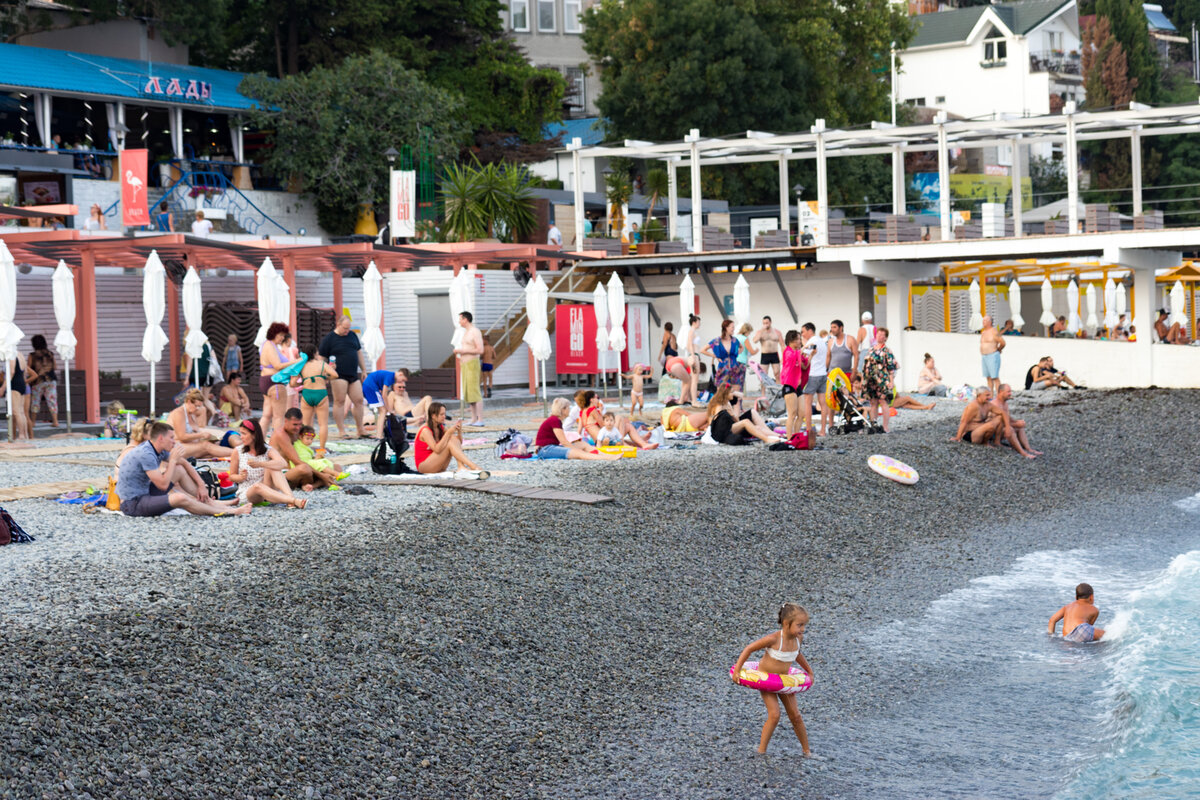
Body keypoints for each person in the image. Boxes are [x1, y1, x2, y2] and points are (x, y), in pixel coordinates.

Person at [730, 603, 814, 756]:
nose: (803, 629)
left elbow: (797, 654)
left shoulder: (798, 639)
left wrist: (809, 671)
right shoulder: (773, 639)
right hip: (766, 679)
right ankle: (761, 751)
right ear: (786, 624)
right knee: (775, 714)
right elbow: (749, 648)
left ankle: (807, 751)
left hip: (784, 680)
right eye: (800, 625)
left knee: (795, 715)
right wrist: (737, 670)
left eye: (804, 625)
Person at [116, 422, 249, 517]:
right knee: (179, 498)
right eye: (171, 438)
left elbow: (184, 463)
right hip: (132, 504)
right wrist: (172, 460)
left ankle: (210, 502)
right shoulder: (146, 454)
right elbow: (162, 486)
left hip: (146, 494)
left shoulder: (156, 448)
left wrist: (202, 485)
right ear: (161, 438)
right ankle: (229, 511)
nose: (174, 442)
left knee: (179, 469)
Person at [229, 419, 307, 508]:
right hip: (248, 493)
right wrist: (240, 477)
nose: (241, 437)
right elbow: (231, 476)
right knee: (257, 486)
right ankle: (293, 500)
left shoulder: (267, 449)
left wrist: (261, 464)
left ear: (254, 435)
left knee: (273, 466)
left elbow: (283, 463)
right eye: (241, 433)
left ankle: (290, 499)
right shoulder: (238, 451)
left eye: (244, 434)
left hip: (267, 488)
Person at [318, 315, 369, 439]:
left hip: (352, 373)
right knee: (339, 401)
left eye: (348, 328)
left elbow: (358, 352)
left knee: (359, 400)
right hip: (338, 374)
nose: (347, 331)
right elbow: (321, 358)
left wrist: (364, 369)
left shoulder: (352, 335)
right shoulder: (329, 338)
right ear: (338, 325)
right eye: (345, 328)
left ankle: (360, 429)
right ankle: (342, 430)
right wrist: (325, 373)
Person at [535, 398, 621, 460]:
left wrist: (577, 447)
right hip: (545, 450)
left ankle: (606, 455)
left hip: (551, 447)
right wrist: (576, 450)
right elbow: (564, 442)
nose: (569, 409)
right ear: (563, 409)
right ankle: (607, 458)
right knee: (578, 453)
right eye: (568, 408)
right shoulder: (554, 420)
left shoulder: (555, 420)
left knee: (583, 444)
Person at [415, 402, 487, 475]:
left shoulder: (440, 427)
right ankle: (473, 466)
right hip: (424, 466)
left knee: (452, 439)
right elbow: (437, 449)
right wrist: (448, 433)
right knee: (449, 440)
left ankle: (461, 466)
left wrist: (459, 431)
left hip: (437, 464)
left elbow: (458, 443)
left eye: (444, 414)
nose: (444, 416)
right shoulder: (425, 430)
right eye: (441, 414)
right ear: (433, 416)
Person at [260, 322, 303, 437]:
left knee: (266, 415)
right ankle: (277, 444)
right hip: (274, 383)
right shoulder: (270, 346)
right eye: (282, 335)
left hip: (267, 381)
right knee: (278, 416)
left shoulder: (269, 345)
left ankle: (259, 442)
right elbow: (278, 365)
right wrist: (296, 361)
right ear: (276, 334)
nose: (283, 338)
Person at [167, 388, 234, 460]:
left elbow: (197, 430)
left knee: (211, 450)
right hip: (175, 446)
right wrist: (201, 435)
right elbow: (182, 436)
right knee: (206, 446)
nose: (198, 408)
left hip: (186, 445)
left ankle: (237, 453)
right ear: (189, 402)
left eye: (199, 406)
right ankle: (238, 453)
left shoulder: (191, 414)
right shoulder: (179, 413)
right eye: (196, 406)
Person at [577, 389, 657, 449]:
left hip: (600, 440)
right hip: (604, 440)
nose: (598, 399)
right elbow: (603, 425)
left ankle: (642, 443)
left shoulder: (582, 412)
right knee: (619, 417)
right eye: (597, 397)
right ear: (592, 400)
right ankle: (623, 441)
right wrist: (601, 412)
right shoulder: (593, 410)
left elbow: (580, 429)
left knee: (628, 426)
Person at [270, 407, 325, 490]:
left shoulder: (297, 431)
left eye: (300, 424)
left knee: (335, 466)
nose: (298, 428)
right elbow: (297, 462)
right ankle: (320, 481)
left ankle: (312, 485)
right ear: (286, 421)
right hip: (282, 472)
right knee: (305, 468)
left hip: (297, 467)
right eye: (295, 424)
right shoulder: (281, 435)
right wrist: (322, 475)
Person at [296, 348, 338, 451]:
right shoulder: (322, 364)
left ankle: (305, 447)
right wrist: (325, 378)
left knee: (305, 424)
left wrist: (304, 381)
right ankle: (322, 448)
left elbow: (293, 383)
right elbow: (335, 375)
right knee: (323, 424)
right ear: (315, 353)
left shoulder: (301, 365)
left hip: (307, 393)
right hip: (320, 393)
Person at [707, 384, 778, 445]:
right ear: (726, 394)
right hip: (721, 431)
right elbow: (714, 423)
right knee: (747, 422)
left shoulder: (727, 403)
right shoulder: (719, 406)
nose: (734, 394)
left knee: (754, 417)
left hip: (730, 426)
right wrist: (732, 415)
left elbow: (737, 420)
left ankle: (777, 435)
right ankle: (766, 439)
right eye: (732, 393)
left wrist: (732, 414)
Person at [861, 327, 897, 433]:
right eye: (878, 334)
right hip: (870, 379)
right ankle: (874, 425)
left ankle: (885, 426)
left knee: (883, 401)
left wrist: (891, 381)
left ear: (885, 338)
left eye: (882, 335)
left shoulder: (887, 350)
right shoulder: (871, 349)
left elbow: (891, 367)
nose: (879, 336)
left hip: (882, 378)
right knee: (873, 402)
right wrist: (864, 379)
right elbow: (865, 365)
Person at [990, 383, 1040, 458]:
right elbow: (998, 423)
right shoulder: (995, 404)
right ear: (1000, 392)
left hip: (1000, 428)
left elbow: (1008, 418)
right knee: (1010, 428)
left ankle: (1028, 448)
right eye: (1008, 392)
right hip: (993, 433)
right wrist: (1015, 424)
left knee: (1020, 427)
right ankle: (1023, 453)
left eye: (1010, 391)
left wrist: (1017, 422)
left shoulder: (1005, 403)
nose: (1010, 394)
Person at [454, 311, 485, 427]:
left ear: (465, 319)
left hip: (472, 363)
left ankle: (480, 419)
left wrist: (463, 351)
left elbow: (480, 350)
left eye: (460, 319)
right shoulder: (466, 332)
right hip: (465, 364)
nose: (459, 321)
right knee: (468, 392)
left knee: (475, 391)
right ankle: (473, 418)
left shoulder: (475, 332)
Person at [800, 323, 828, 436]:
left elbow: (802, 355)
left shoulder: (812, 342)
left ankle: (808, 429)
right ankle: (822, 430)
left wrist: (803, 345)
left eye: (803, 331)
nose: (802, 334)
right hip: (822, 373)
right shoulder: (821, 341)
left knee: (807, 402)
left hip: (813, 374)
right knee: (823, 403)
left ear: (809, 330)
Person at [702, 319, 744, 392]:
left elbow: (742, 347)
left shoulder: (735, 340)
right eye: (732, 327)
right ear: (726, 327)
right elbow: (702, 350)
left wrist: (736, 354)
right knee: (721, 394)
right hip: (722, 369)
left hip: (735, 368)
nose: (733, 329)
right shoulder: (717, 341)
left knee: (736, 394)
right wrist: (715, 356)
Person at [780, 329, 808, 437]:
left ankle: (796, 436)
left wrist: (811, 356)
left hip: (798, 386)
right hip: (789, 386)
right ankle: (789, 438)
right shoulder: (788, 352)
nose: (800, 341)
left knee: (801, 413)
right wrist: (801, 350)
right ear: (791, 340)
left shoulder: (797, 352)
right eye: (797, 339)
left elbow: (804, 366)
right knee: (792, 414)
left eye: (800, 339)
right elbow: (791, 360)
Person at [27, 334, 58, 427]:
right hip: (51, 380)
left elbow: (28, 368)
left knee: (35, 401)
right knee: (52, 400)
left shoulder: (32, 355)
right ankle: (55, 421)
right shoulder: (50, 354)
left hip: (38, 381)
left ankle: (33, 422)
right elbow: (55, 366)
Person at [979, 315, 1005, 396]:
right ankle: (990, 395)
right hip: (984, 356)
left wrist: (999, 349)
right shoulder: (983, 332)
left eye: (985, 321)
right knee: (988, 377)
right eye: (983, 321)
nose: (983, 322)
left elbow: (1003, 342)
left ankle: (999, 395)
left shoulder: (994, 332)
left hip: (992, 355)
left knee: (995, 377)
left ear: (990, 322)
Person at [752, 316, 783, 381]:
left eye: (767, 323)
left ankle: (778, 389)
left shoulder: (777, 332)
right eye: (764, 323)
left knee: (777, 374)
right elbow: (755, 341)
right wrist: (761, 331)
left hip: (774, 354)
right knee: (763, 375)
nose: (765, 324)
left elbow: (782, 345)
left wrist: (783, 358)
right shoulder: (760, 332)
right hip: (765, 355)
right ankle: (763, 391)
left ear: (770, 322)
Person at [683, 314, 703, 401]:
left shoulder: (693, 331)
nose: (700, 324)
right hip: (693, 355)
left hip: (695, 355)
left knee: (695, 380)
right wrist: (693, 356)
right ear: (694, 322)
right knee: (694, 380)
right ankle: (694, 400)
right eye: (699, 322)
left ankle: (691, 399)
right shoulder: (691, 331)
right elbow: (689, 345)